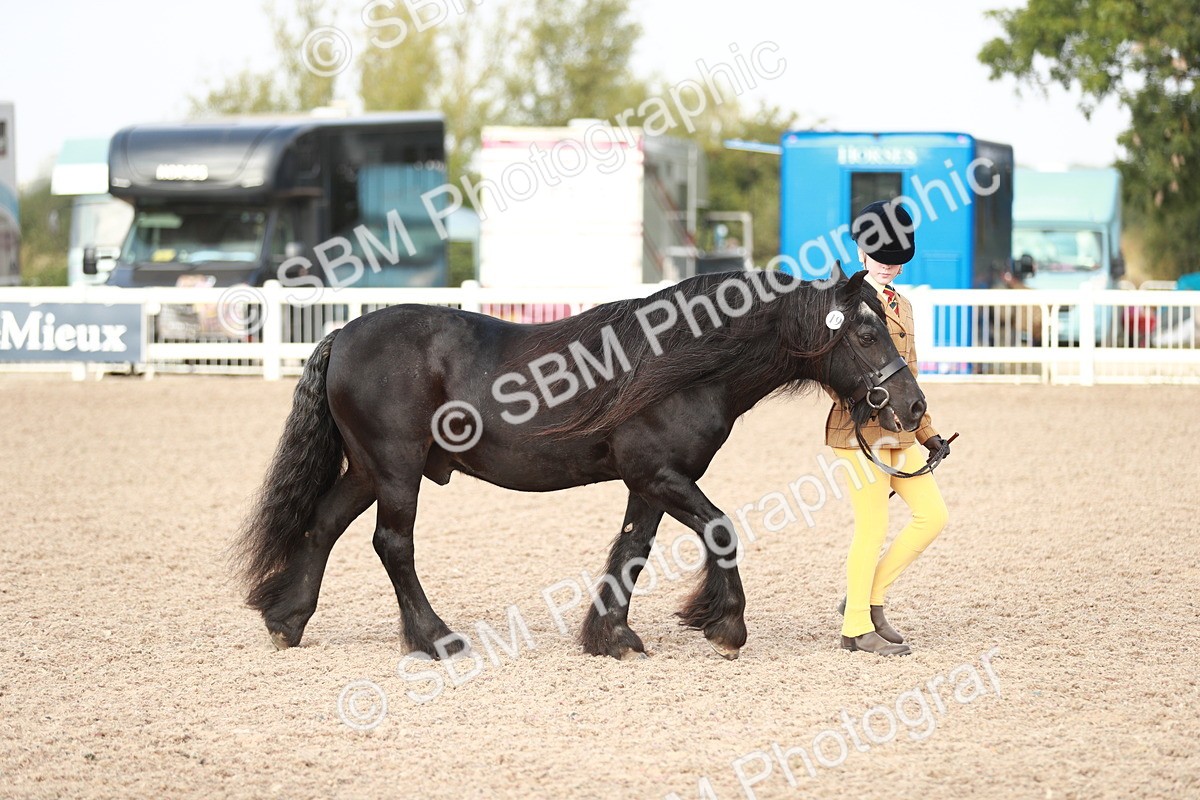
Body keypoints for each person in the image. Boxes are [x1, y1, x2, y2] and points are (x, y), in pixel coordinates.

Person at [826, 200, 950, 657]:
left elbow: (908, 375)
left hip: (901, 432)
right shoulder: (844, 301)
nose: (890, 267)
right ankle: (857, 628)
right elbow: (834, 372)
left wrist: (927, 432)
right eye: (881, 258)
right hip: (858, 433)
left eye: (898, 260)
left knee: (933, 517)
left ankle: (866, 599)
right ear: (860, 250)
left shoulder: (905, 305)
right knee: (872, 527)